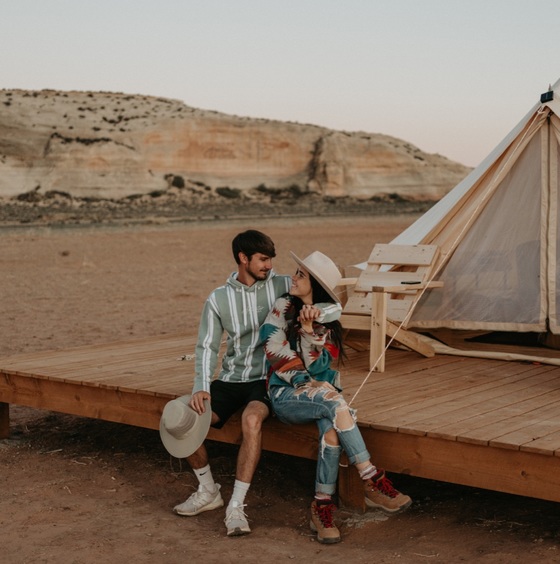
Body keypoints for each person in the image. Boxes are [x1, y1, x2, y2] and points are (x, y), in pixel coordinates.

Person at [172, 230, 341, 537]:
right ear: (243, 258)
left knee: (251, 420)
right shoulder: (218, 298)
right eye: (263, 259)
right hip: (230, 378)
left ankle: (236, 506)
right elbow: (207, 346)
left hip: (265, 380)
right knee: (183, 418)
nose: (269, 265)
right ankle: (208, 489)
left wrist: (320, 312)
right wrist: (201, 386)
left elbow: (330, 302)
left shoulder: (282, 285)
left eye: (271, 259)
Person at [260, 250, 412, 544]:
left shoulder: (328, 322)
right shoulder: (281, 307)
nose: (293, 278)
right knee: (335, 401)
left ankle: (321, 507)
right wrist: (305, 382)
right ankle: (371, 478)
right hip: (285, 394)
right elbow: (273, 347)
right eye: (296, 272)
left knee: (331, 432)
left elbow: (319, 368)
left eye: (301, 275)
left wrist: (309, 331)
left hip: (322, 396)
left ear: (315, 285)